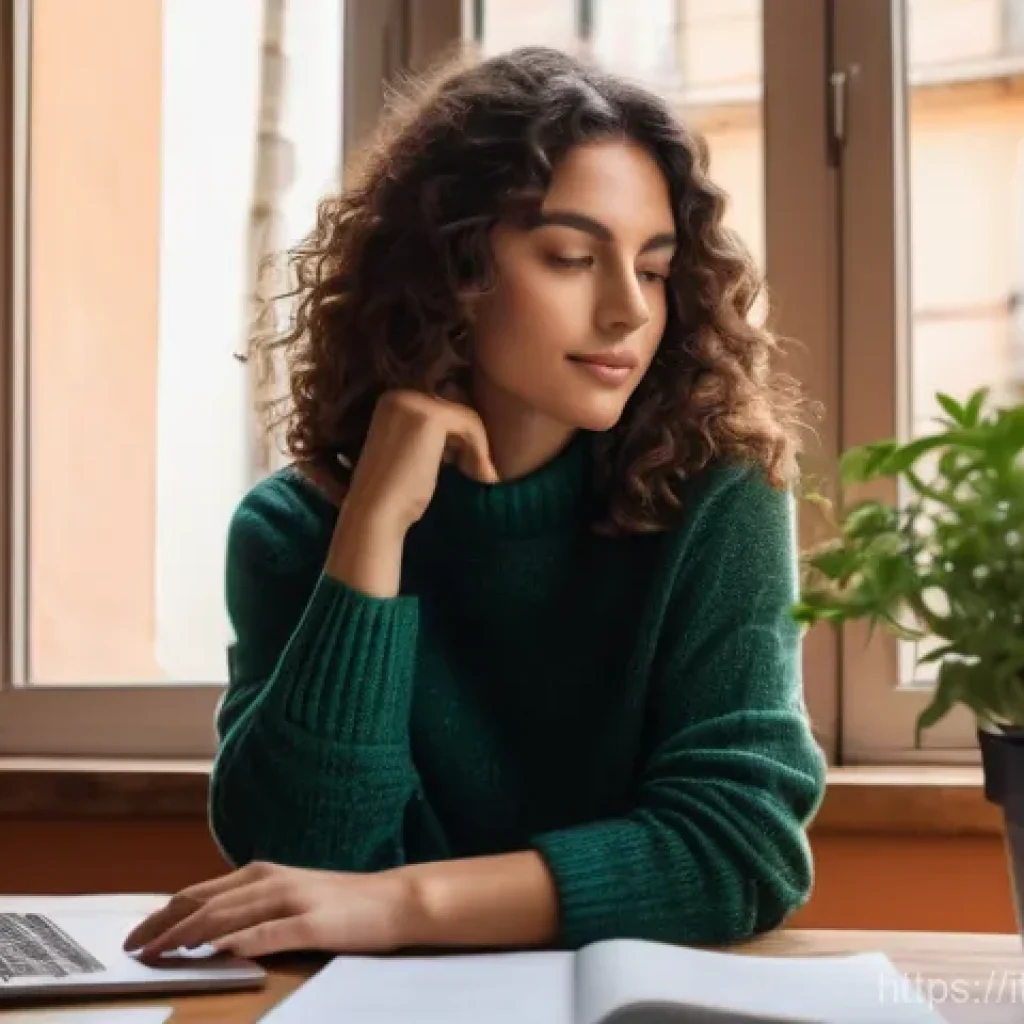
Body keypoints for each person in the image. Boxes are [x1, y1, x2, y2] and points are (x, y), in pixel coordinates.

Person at [124, 45, 827, 964]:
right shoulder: (292, 530)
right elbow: (300, 860)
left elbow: (742, 847)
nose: (627, 310)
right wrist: (372, 528)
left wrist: (401, 904)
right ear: (449, 267)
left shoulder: (716, 495)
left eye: (654, 269)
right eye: (572, 257)